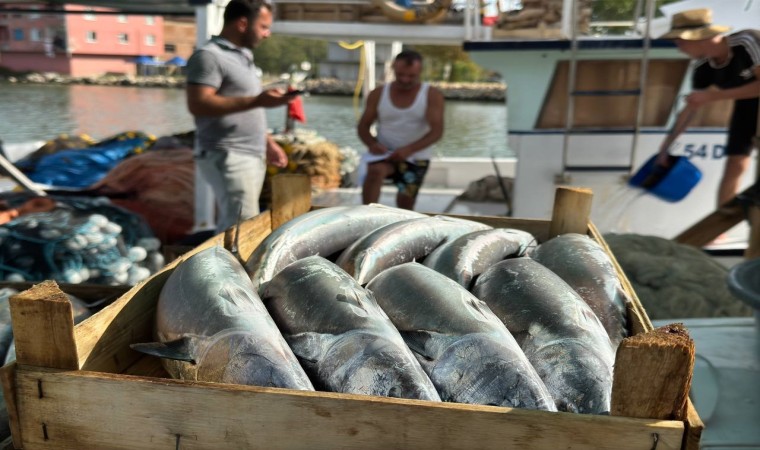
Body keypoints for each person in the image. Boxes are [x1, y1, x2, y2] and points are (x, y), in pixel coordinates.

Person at [186, 0, 297, 233]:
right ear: (243, 23)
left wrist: (268, 142)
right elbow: (198, 103)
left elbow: (248, 106)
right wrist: (259, 100)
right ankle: (223, 269)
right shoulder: (209, 56)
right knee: (240, 228)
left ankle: (229, 267)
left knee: (241, 224)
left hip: (249, 153)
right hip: (228, 153)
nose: (268, 34)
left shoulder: (243, 56)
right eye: (264, 27)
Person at [656, 8, 760, 209]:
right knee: (736, 161)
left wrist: (714, 96)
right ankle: (722, 220)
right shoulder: (703, 67)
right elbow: (691, 107)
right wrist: (665, 148)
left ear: (698, 38)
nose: (680, 48)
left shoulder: (747, 42)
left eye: (680, 42)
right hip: (746, 102)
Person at [357, 50, 445, 210]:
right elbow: (363, 126)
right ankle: (366, 214)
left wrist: (409, 149)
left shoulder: (432, 95)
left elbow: (436, 132)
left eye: (411, 76)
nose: (405, 80)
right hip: (385, 153)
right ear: (393, 69)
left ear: (420, 72)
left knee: (405, 203)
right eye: (400, 75)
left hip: (416, 156)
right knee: (375, 172)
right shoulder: (377, 94)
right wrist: (372, 144)